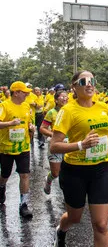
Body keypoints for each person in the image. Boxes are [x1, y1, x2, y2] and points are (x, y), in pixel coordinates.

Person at [50, 71, 108, 247]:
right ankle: (61, 229)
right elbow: (54, 146)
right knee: (74, 218)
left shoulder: (103, 107)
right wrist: (81, 145)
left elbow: (103, 134)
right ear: (74, 87)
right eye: (84, 81)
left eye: (92, 80)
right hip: (75, 171)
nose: (89, 84)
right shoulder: (68, 110)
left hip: (101, 169)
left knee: (101, 225)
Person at [0, 81, 35, 218]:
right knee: (5, 175)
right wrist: (10, 123)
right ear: (16, 93)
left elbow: (28, 121)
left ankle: (24, 204)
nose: (27, 94)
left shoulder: (26, 106)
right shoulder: (4, 106)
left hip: (23, 147)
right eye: (24, 92)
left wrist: (31, 126)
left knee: (25, 174)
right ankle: (2, 187)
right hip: (6, 148)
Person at [40, 90, 69, 195]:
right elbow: (42, 128)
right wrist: (54, 135)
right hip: (56, 145)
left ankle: (67, 192)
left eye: (66, 96)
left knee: (68, 171)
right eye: (62, 97)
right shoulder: (51, 112)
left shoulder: (71, 111)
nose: (65, 98)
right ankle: (48, 180)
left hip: (69, 146)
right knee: (55, 173)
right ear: (56, 100)